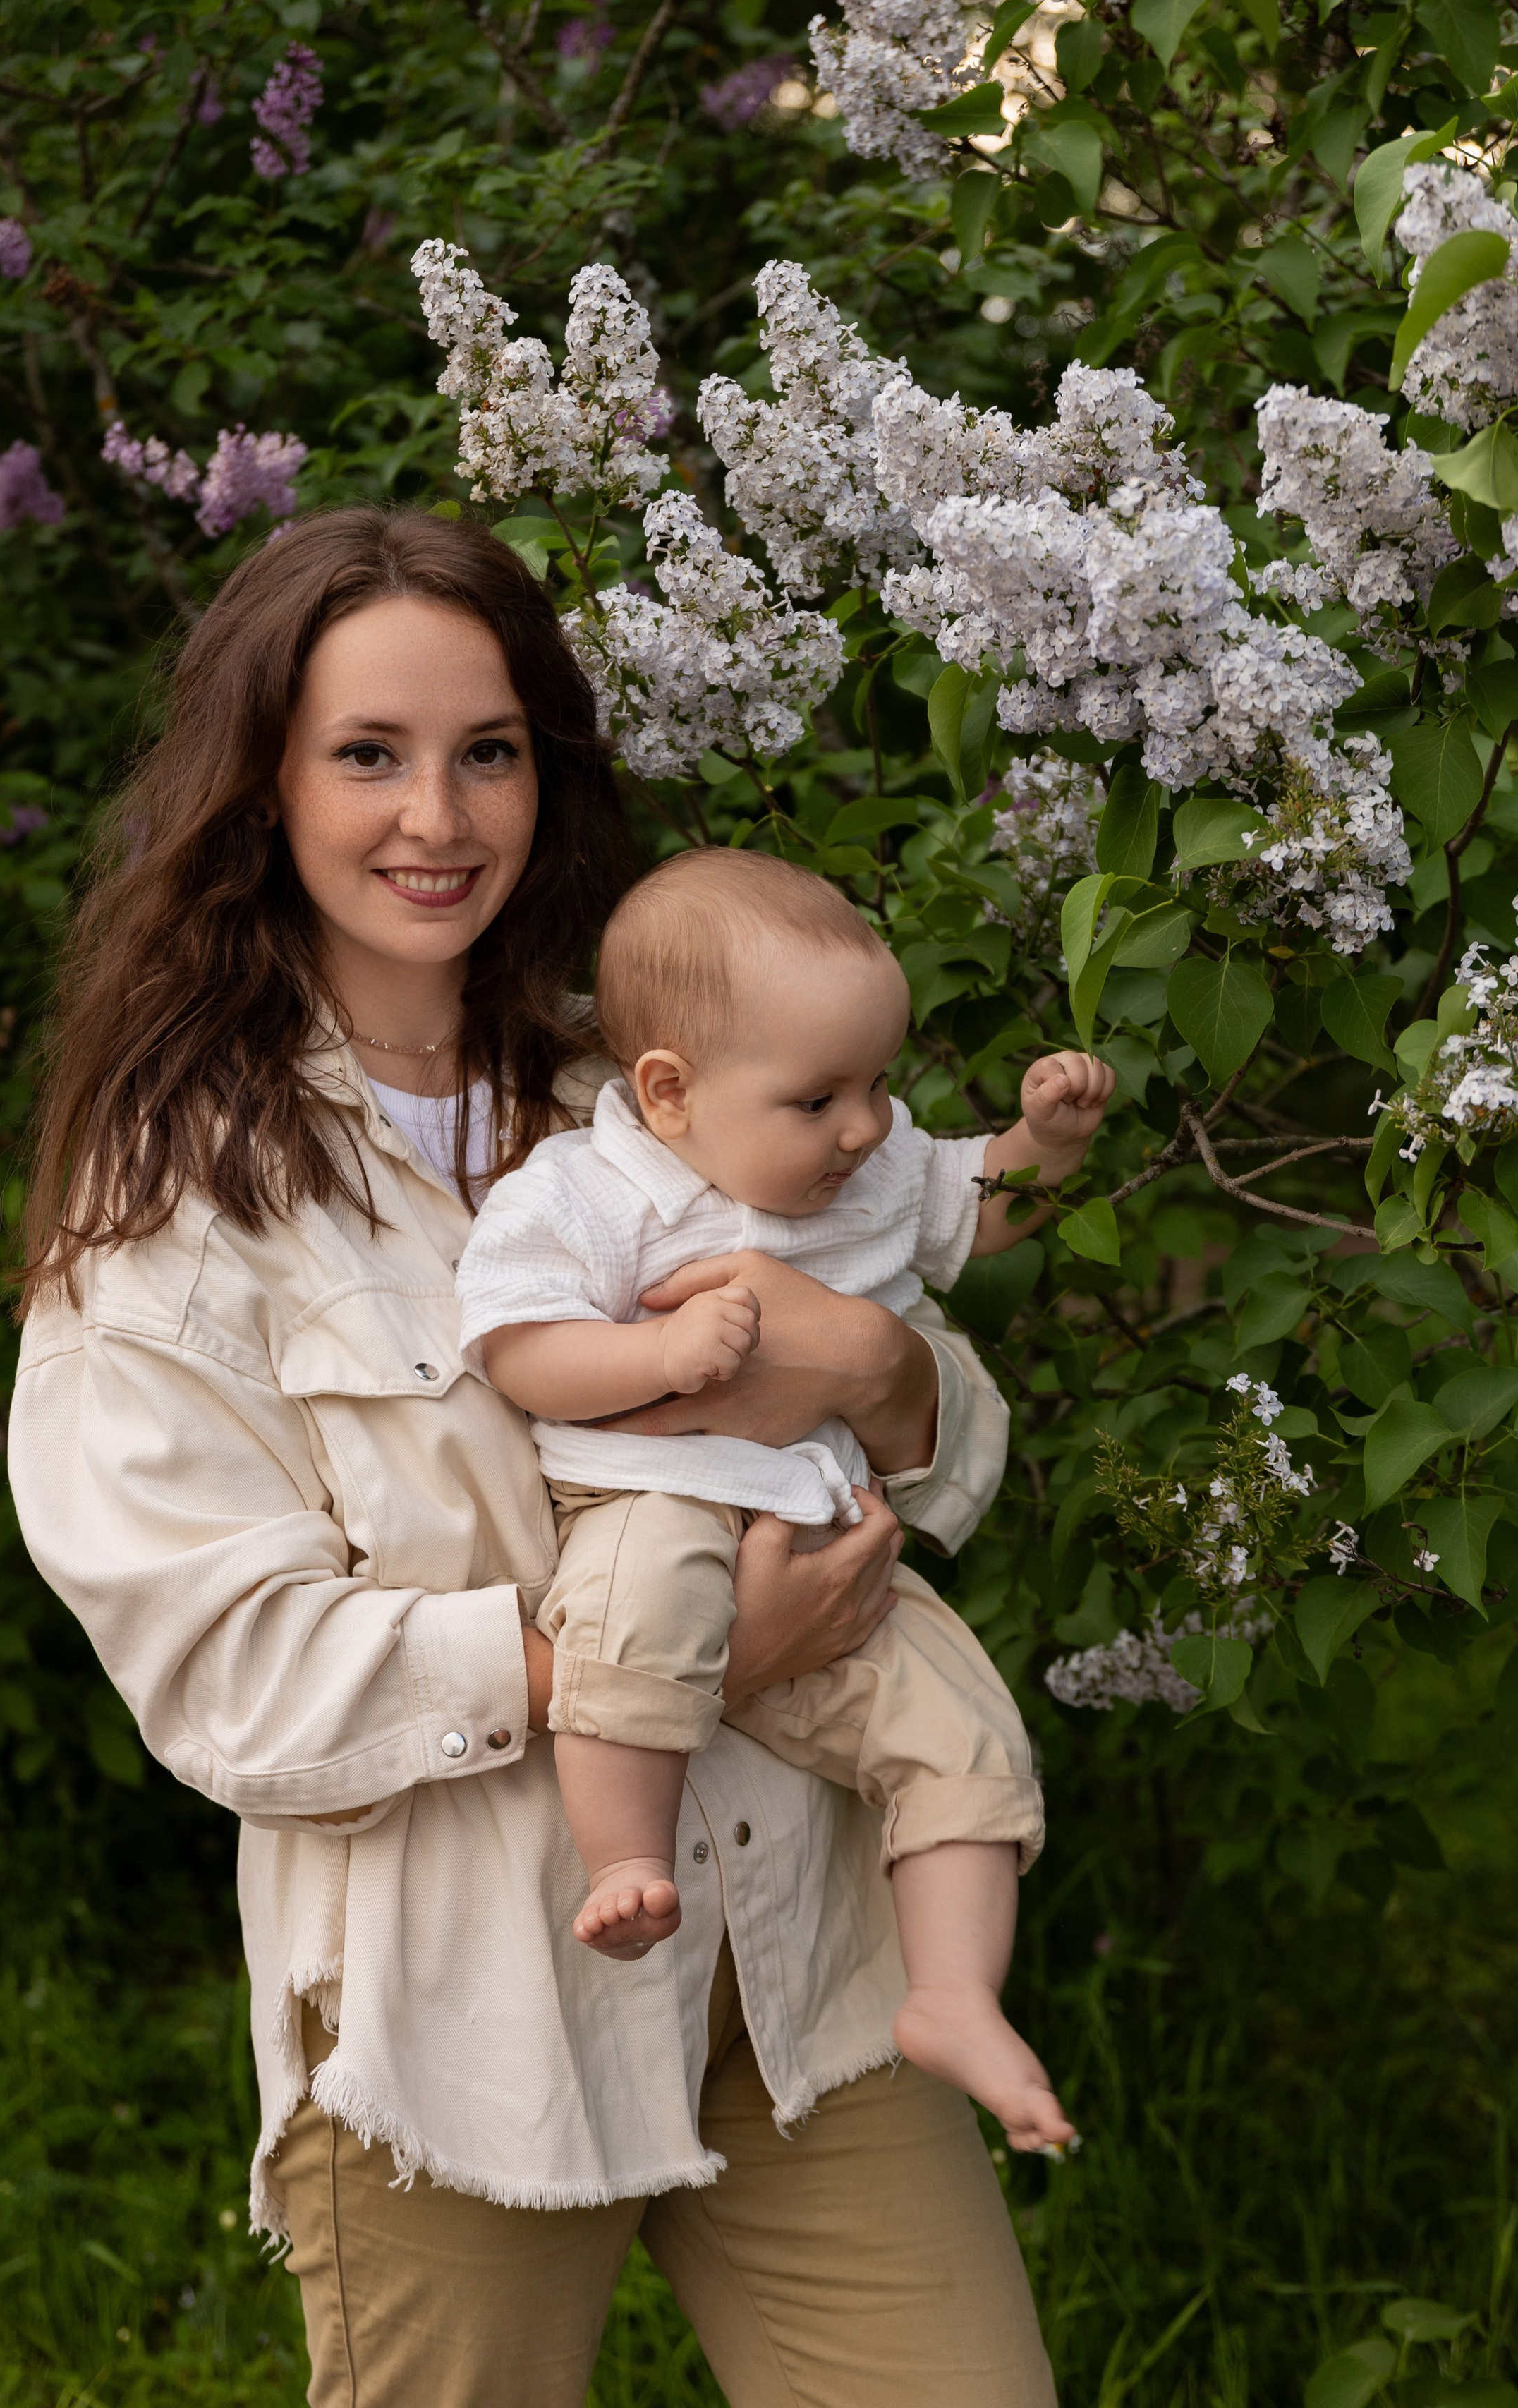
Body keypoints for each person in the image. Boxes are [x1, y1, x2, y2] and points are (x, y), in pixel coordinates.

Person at [9, 504, 1057, 2408]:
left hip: (797, 1961)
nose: (439, 815)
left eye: (486, 750)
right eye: (369, 755)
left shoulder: (637, 1095)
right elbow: (224, 1669)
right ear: (263, 786)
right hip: (463, 2019)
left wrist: (880, 1367)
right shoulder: (174, 1213)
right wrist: (650, 1670)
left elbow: (946, 1442)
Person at [456, 846, 1112, 2151]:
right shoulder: (586, 1194)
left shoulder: (862, 1167)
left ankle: (954, 1996)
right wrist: (653, 1357)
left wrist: (1044, 1143)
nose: (867, 1127)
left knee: (969, 1730)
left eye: (878, 1083)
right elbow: (515, 1342)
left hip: (827, 1523)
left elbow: (978, 1210)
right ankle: (628, 1861)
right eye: (821, 1098)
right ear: (669, 1092)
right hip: (654, 1493)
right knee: (630, 1625)